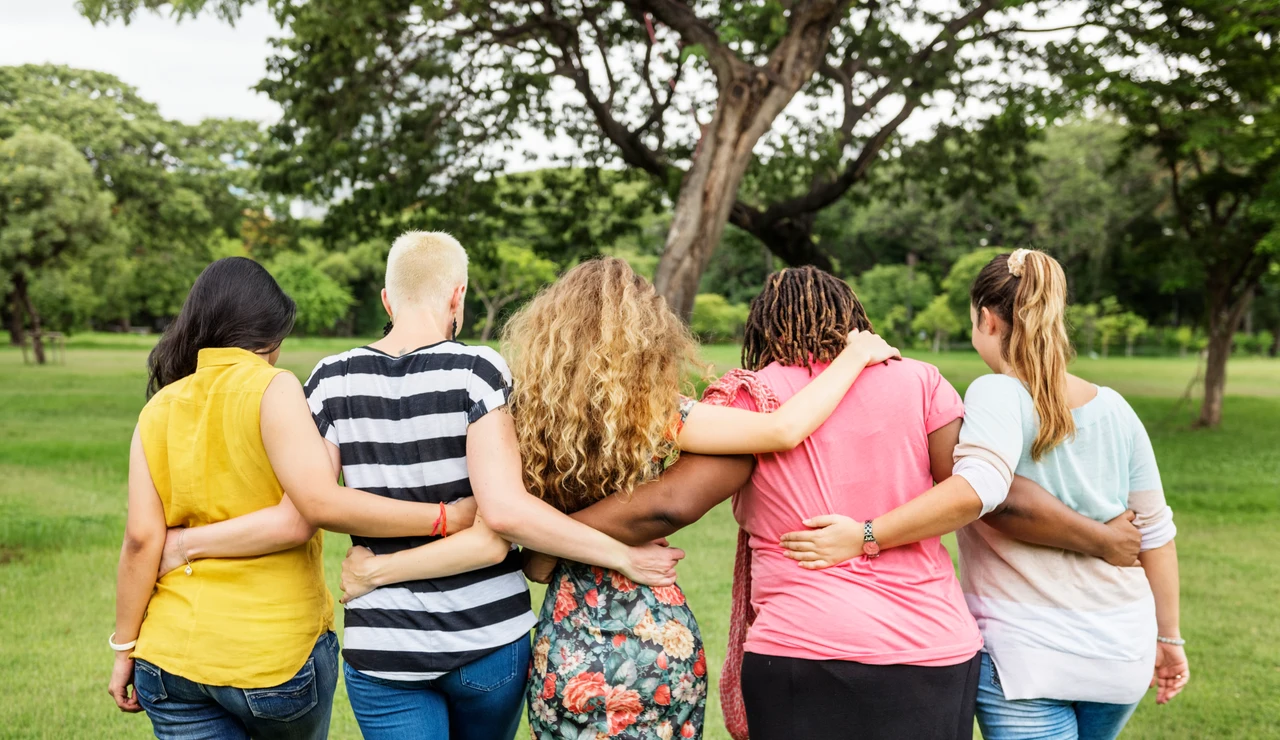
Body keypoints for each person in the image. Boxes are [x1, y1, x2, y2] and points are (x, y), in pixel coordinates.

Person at [342, 257, 903, 739]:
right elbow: (781, 430)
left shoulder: (519, 413)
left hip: (568, 639)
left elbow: (528, 553)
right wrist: (852, 357)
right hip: (655, 629)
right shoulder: (655, 414)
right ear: (647, 333)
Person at [151, 236, 684, 740]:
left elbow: (308, 504)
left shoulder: (329, 379)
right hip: (488, 640)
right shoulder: (479, 370)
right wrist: (623, 556)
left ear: (387, 299)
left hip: (382, 646)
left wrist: (182, 544)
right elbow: (505, 512)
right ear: (459, 295)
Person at [780, 250, 1186, 740]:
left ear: (987, 320)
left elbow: (981, 490)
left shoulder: (997, 393)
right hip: (1122, 651)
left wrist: (866, 534)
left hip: (1027, 657)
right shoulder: (1116, 408)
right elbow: (1156, 535)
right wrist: (1169, 637)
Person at [109, 257, 496, 739]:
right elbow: (310, 511)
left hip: (168, 661)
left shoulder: (158, 408)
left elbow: (142, 541)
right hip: (273, 655)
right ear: (270, 336)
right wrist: (444, 517)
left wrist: (125, 647)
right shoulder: (273, 387)